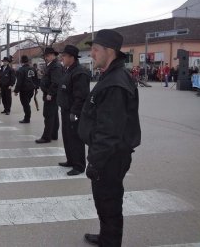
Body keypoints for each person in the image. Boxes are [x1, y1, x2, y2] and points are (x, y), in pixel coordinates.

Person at [78, 29, 141, 246]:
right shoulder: (111, 76)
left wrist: (95, 161)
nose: (92, 54)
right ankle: (107, 236)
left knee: (109, 201)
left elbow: (109, 130)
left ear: (109, 51)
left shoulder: (115, 83)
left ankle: (111, 241)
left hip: (110, 156)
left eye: (95, 50)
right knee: (105, 200)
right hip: (109, 154)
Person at [56, 45, 90, 176]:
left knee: (75, 138)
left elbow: (80, 96)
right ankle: (70, 160)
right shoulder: (68, 70)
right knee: (67, 136)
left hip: (73, 112)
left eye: (64, 56)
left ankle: (79, 165)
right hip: (65, 110)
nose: (62, 58)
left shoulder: (79, 72)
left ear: (72, 57)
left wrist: (74, 113)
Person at [35, 47, 63, 143]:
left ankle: (46, 137)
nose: (47, 57)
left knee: (48, 115)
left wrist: (50, 93)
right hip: (50, 94)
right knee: (53, 115)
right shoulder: (51, 65)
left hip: (51, 95)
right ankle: (53, 134)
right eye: (46, 56)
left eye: (48, 55)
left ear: (53, 55)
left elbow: (56, 82)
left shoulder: (55, 66)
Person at [14, 55, 38, 123]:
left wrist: (16, 91)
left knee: (25, 104)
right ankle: (27, 117)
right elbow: (36, 79)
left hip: (24, 90)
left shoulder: (21, 70)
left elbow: (19, 82)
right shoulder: (33, 69)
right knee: (27, 103)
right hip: (31, 89)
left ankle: (27, 118)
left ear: (21, 61)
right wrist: (36, 88)